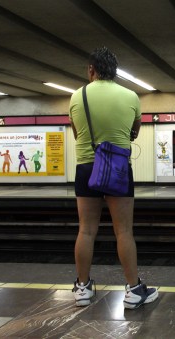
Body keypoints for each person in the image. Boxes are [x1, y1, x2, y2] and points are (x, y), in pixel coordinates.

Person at [68, 46, 157, 309]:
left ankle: (82, 288)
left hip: (86, 167)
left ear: (91, 69)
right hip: (118, 168)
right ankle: (133, 290)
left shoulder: (77, 96)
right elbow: (134, 131)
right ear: (115, 72)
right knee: (124, 231)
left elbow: (76, 133)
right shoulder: (131, 96)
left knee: (86, 230)